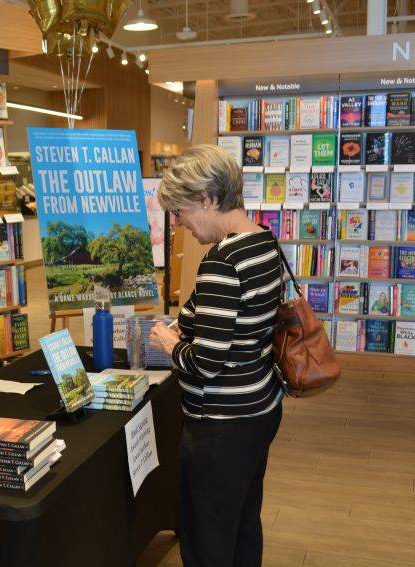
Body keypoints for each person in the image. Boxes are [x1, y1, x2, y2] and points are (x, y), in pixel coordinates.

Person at [149, 144, 283, 567]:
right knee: (242, 522)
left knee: (208, 540)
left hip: (221, 424)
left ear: (207, 197)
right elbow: (232, 317)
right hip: (260, 406)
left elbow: (205, 363)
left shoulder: (223, 260)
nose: (178, 223)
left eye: (181, 211)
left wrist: (172, 345)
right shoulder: (263, 240)